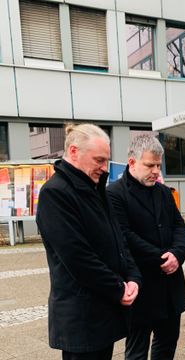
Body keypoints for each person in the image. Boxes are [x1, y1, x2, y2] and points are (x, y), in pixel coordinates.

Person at [36, 124, 142, 360]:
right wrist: (118, 288)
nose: (105, 168)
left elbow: (119, 239)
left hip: (103, 313)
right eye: (99, 160)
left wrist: (133, 277)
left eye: (106, 160)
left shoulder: (96, 188)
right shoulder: (55, 194)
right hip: (82, 318)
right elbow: (77, 257)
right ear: (74, 152)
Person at [107, 135, 185, 360]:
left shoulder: (163, 192)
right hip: (140, 285)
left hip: (170, 285)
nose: (155, 171)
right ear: (132, 163)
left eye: (158, 165)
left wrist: (177, 255)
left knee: (167, 343)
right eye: (150, 165)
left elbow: (179, 226)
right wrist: (164, 258)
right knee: (137, 350)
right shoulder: (114, 194)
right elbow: (125, 236)